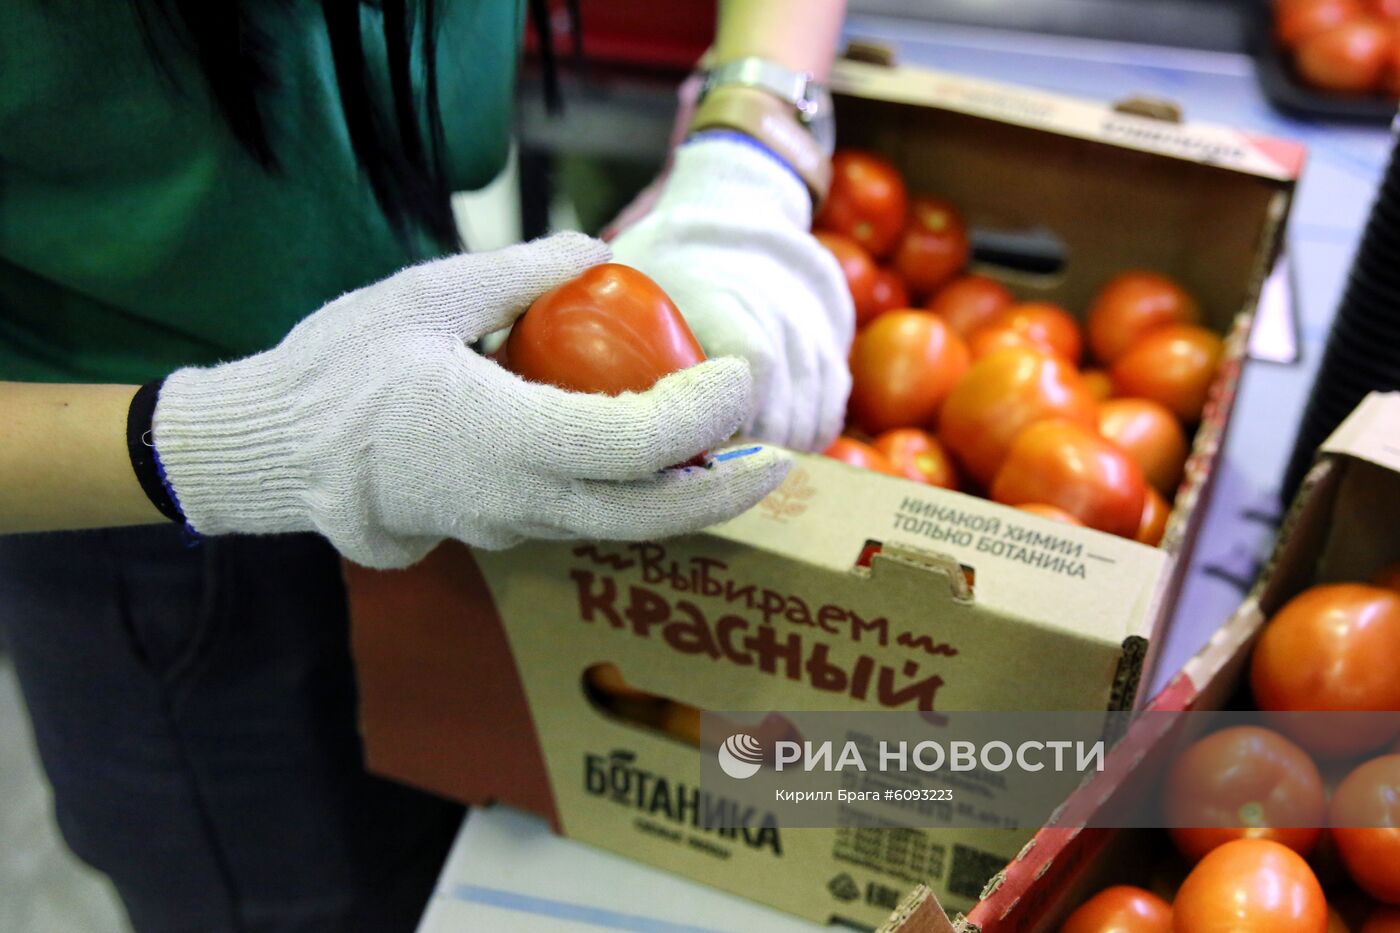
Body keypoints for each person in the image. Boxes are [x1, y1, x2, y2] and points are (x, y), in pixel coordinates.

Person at [0, 0, 853, 930]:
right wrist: (234, 438)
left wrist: (752, 144)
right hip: (142, 516)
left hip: (443, 416)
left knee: (489, 844)